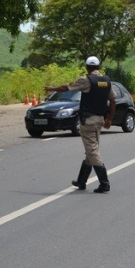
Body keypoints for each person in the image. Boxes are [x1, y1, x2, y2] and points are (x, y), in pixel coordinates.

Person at [45, 56, 116, 193]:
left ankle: (104, 183)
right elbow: (112, 102)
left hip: (88, 121)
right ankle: (81, 181)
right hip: (100, 120)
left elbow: (67, 87)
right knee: (91, 150)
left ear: (87, 67)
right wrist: (109, 119)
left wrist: (51, 88)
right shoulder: (107, 81)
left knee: (92, 151)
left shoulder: (86, 80)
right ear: (99, 67)